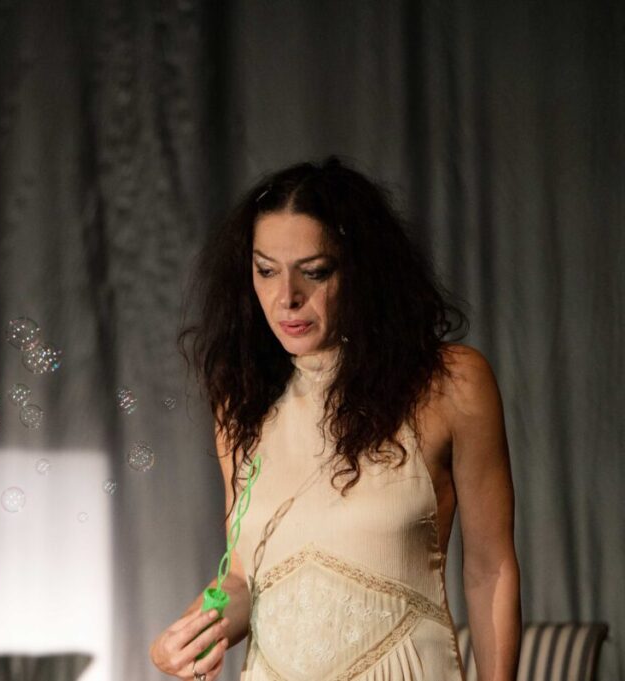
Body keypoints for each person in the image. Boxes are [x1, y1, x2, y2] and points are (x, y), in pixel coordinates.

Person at [150, 157, 521, 681]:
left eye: (316, 271)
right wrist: (190, 636)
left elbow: (490, 568)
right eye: (266, 270)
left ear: (363, 270)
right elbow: (245, 578)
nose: (287, 297)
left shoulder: (450, 382)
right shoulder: (241, 401)